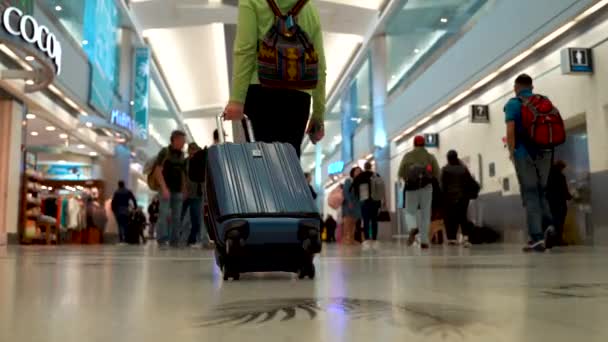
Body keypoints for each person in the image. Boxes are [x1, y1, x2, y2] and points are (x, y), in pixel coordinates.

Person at [223, 0, 327, 157]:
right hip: (298, 97)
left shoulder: (251, 2)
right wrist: (318, 114)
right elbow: (320, 67)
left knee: (261, 161)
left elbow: (245, 50)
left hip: (261, 91)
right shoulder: (309, 8)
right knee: (289, 163)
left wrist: (237, 99)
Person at [504, 74, 555, 252]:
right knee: (542, 190)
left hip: (524, 153)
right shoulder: (544, 100)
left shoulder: (512, 103)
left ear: (516, 87)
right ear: (532, 87)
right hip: (546, 151)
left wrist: (511, 152)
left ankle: (537, 237)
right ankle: (549, 225)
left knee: (530, 193)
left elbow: (510, 130)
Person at [398, 135, 440, 249]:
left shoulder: (408, 156)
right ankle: (425, 241)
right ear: (424, 144)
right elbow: (437, 172)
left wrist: (407, 178)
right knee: (426, 214)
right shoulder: (430, 157)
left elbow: (401, 172)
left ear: (414, 144)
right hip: (426, 188)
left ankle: (412, 227)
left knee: (409, 212)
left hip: (411, 188)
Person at [153, 130, 187, 246]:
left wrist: (183, 188)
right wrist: (164, 188)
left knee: (177, 217)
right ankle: (162, 239)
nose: (184, 143)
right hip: (165, 189)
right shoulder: (165, 152)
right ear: (175, 139)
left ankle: (174, 240)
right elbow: (158, 170)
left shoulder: (182, 154)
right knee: (164, 214)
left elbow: (182, 173)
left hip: (177, 190)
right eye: (182, 140)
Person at [441, 150, 473, 247]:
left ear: (448, 158)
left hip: (449, 198)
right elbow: (469, 182)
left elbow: (443, 185)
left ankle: (452, 238)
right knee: (463, 217)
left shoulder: (445, 169)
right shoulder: (464, 169)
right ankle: (465, 237)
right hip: (463, 197)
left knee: (450, 218)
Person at [182, 143, 210, 248]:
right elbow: (184, 177)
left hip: (197, 195)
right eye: (191, 151)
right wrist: (184, 189)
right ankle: (184, 240)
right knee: (186, 219)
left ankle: (198, 240)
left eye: (195, 151)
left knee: (197, 219)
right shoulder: (185, 162)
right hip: (187, 194)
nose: (192, 153)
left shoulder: (200, 161)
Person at [352, 162, 383, 245]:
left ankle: (367, 239)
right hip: (375, 201)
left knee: (366, 220)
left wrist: (358, 197)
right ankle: (374, 238)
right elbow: (380, 190)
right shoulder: (376, 175)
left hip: (364, 202)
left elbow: (355, 189)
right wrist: (381, 202)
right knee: (374, 220)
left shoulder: (359, 177)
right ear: (371, 167)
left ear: (364, 167)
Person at [546, 160, 572, 246]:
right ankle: (558, 240)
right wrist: (570, 197)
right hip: (560, 203)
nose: (563, 169)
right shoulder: (560, 176)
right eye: (562, 168)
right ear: (560, 167)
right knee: (559, 222)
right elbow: (563, 189)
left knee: (553, 221)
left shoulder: (548, 176)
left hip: (551, 203)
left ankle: (550, 240)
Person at [341, 167, 362, 245]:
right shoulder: (348, 181)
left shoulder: (360, 182)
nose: (358, 173)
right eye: (357, 171)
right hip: (348, 204)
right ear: (353, 172)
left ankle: (352, 239)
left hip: (357, 204)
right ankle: (346, 239)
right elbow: (345, 192)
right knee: (347, 222)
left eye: (360, 171)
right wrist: (349, 202)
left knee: (354, 223)